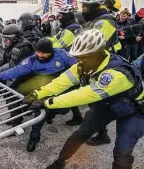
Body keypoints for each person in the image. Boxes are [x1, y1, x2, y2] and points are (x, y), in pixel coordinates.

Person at [24, 29, 144, 169]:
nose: (78, 61)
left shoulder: (117, 73)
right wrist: (37, 94)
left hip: (134, 110)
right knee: (81, 134)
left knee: (122, 153)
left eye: (83, 57)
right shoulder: (84, 65)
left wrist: (48, 102)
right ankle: (60, 162)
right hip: (108, 104)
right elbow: (62, 81)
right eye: (78, 57)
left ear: (98, 54)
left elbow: (84, 94)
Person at [0, 38, 82, 151]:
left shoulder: (63, 55)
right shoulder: (33, 59)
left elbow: (78, 68)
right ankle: (31, 132)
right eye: (38, 51)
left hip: (60, 84)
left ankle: (35, 135)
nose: (40, 55)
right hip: (40, 83)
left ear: (51, 51)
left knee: (50, 108)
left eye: (43, 52)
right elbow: (17, 70)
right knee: (37, 105)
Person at [74, 0, 122, 146]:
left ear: (95, 7)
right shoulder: (96, 20)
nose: (83, 11)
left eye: (85, 7)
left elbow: (94, 44)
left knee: (97, 99)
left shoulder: (105, 21)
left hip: (103, 65)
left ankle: (103, 134)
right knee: (94, 99)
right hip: (95, 64)